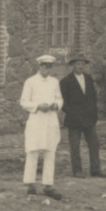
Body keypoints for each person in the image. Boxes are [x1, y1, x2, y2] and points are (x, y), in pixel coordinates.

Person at [19, 54, 65, 199]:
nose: (47, 69)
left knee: (50, 151)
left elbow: (59, 98)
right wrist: (37, 106)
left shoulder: (54, 82)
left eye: (49, 67)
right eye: (45, 66)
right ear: (39, 66)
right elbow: (24, 101)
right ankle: (30, 184)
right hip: (37, 119)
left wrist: (55, 105)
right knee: (33, 150)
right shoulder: (30, 82)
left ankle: (48, 185)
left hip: (51, 120)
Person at [59, 55, 106, 178]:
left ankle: (95, 169)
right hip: (74, 120)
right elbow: (63, 102)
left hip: (88, 119)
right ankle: (77, 170)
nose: (80, 66)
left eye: (82, 64)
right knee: (75, 146)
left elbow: (92, 98)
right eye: (77, 64)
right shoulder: (66, 81)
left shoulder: (88, 78)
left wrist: (93, 114)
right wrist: (73, 113)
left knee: (94, 143)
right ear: (73, 65)